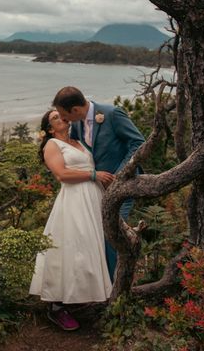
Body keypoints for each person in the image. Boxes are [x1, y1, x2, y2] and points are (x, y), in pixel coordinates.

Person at [29, 109, 115, 331]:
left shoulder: (79, 141)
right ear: (49, 129)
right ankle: (57, 306)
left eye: (61, 114)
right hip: (74, 200)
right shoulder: (52, 145)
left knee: (93, 247)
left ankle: (89, 294)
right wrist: (94, 175)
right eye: (55, 118)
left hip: (94, 197)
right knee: (72, 247)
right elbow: (62, 175)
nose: (61, 118)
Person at [52, 86, 145, 281]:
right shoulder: (76, 124)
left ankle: (115, 286)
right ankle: (101, 284)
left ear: (75, 110)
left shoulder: (112, 114)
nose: (64, 120)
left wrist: (120, 175)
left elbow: (138, 143)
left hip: (123, 186)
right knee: (94, 235)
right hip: (96, 190)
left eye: (63, 115)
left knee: (111, 233)